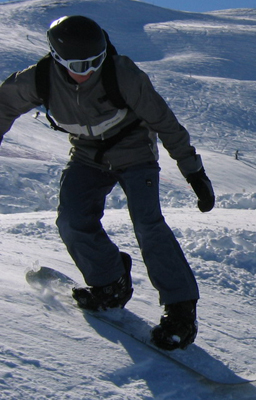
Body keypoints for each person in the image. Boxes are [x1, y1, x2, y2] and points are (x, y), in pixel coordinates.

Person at [0, 16, 215, 350]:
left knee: (148, 224)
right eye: (78, 65)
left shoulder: (122, 73)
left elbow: (164, 121)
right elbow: (2, 106)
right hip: (88, 155)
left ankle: (180, 311)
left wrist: (194, 172)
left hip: (134, 152)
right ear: (57, 59)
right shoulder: (39, 79)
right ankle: (110, 283)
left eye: (95, 62)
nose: (87, 71)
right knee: (72, 221)